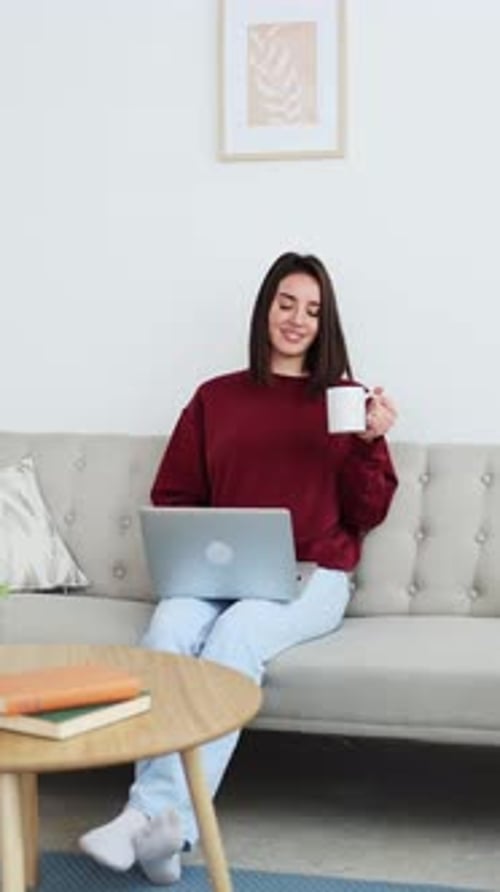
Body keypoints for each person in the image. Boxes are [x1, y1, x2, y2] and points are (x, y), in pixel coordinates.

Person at [79, 251, 398, 885]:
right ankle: (166, 838)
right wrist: (197, 547)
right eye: (286, 303)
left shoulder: (344, 401)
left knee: (239, 634)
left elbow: (368, 511)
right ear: (265, 308)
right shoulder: (215, 397)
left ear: (324, 322)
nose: (296, 319)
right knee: (169, 630)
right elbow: (174, 495)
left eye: (312, 310)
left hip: (313, 576)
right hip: (216, 575)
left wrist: (368, 443)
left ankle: (149, 815)